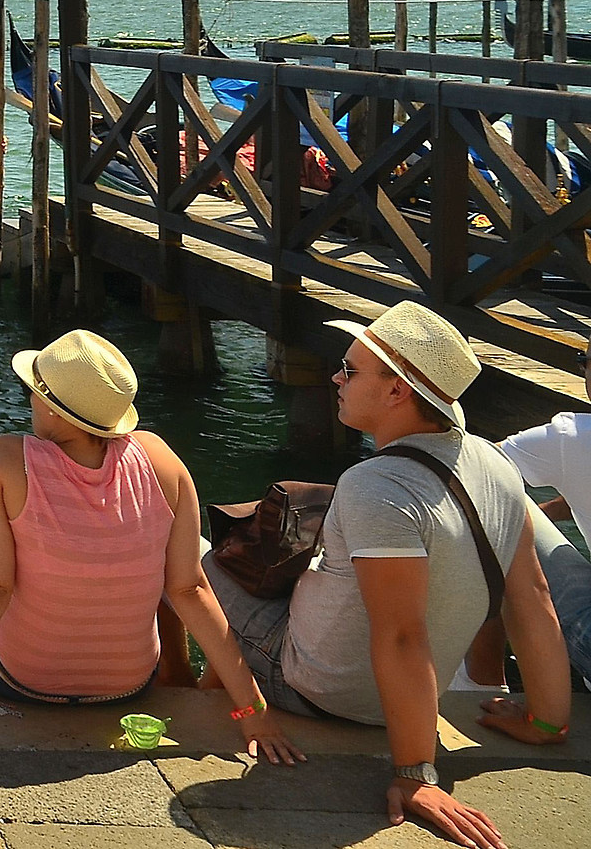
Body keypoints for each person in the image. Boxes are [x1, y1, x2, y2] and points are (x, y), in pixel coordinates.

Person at [200, 303, 573, 848]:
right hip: (419, 694)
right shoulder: (495, 465)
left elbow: (402, 634)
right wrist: (546, 723)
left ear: (397, 391)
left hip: (323, 692)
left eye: (350, 370)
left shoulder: (376, 486)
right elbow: (533, 599)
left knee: (204, 562)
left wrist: (416, 774)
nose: (335, 377)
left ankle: (209, 698)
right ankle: (224, 693)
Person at [0, 330, 302, 764]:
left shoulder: (4, 458)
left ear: (52, 406)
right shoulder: (162, 459)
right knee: (147, 558)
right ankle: (177, 677)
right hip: (128, 687)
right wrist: (254, 713)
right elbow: (189, 591)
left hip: (18, 681)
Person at [470, 342, 591, 692]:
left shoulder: (572, 439)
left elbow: (474, 470)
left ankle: (484, 680)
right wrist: (549, 512)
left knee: (496, 501)